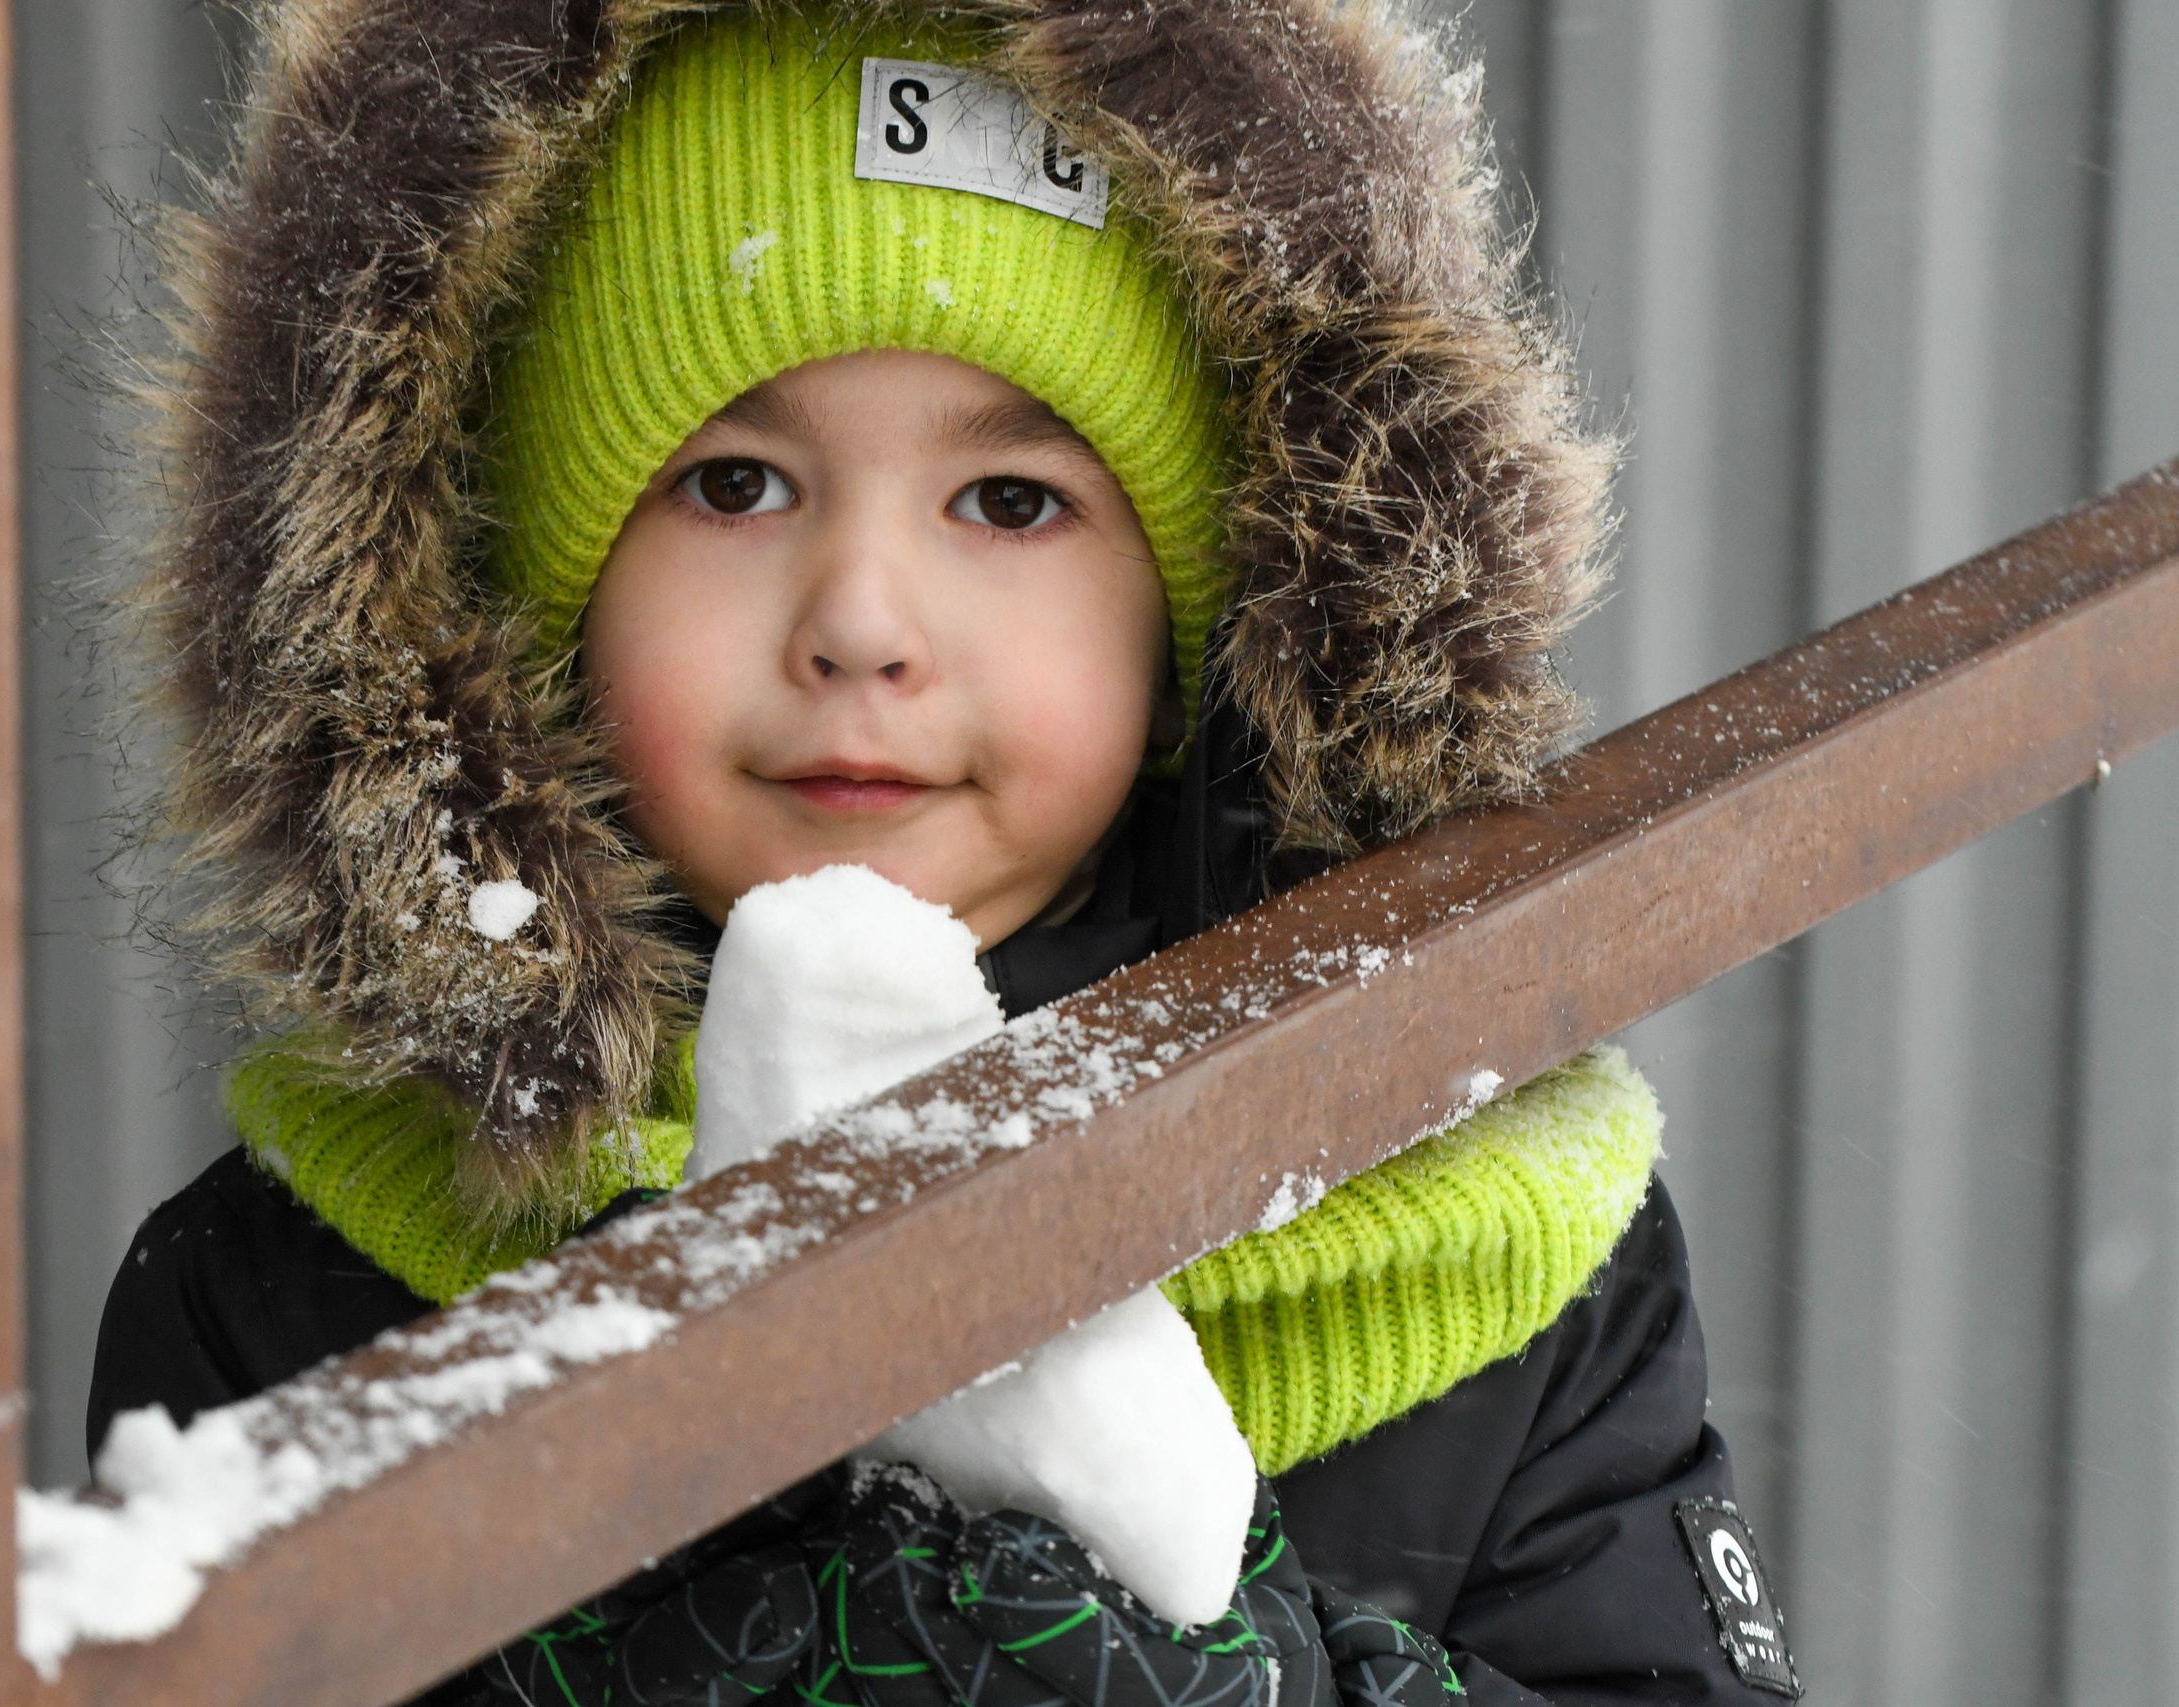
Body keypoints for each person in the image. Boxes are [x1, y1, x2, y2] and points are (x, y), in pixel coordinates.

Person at [93, 4, 1801, 1703]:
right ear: (509, 604)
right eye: (736, 486)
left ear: (1208, 620)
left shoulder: (1506, 1246)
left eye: (1008, 505)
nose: (859, 624)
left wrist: (1285, 1685)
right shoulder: (300, 1293)